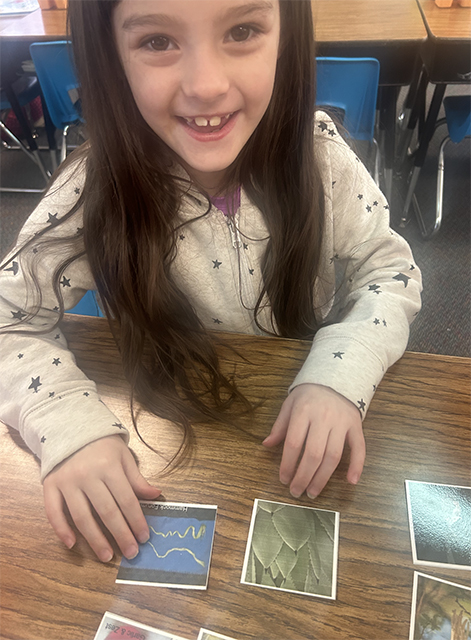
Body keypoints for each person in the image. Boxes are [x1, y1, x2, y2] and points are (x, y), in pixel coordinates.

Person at [0, 0, 421, 564]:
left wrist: (341, 372)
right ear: (110, 56)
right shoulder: (93, 186)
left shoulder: (320, 156)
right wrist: (67, 426)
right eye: (156, 42)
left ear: (286, 36)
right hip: (167, 435)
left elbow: (390, 270)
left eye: (242, 31)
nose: (206, 85)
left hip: (295, 429)